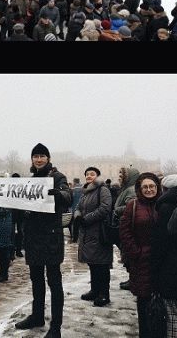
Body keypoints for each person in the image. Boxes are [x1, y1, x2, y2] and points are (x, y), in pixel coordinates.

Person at [15, 143, 72, 338]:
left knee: (54, 281)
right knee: (36, 279)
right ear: (32, 159)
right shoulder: (30, 180)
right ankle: (37, 315)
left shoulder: (57, 177)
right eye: (35, 156)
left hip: (51, 236)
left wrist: (60, 195)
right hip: (33, 237)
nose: (39, 159)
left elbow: (68, 195)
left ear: (48, 158)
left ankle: (56, 326)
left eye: (42, 156)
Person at [119, 172, 162, 338]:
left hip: (160, 260)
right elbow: (124, 231)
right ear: (139, 189)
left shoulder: (162, 204)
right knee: (143, 301)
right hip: (141, 261)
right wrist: (136, 252)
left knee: (160, 301)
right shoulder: (133, 205)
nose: (149, 189)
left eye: (152, 186)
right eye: (145, 187)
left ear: (157, 187)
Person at [151, 174, 177, 338]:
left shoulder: (164, 208)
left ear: (165, 189)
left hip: (171, 271)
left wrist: (154, 273)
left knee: (174, 318)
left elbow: (159, 245)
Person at [74, 167, 112, 307]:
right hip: (87, 232)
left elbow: (105, 208)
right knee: (92, 263)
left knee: (101, 264)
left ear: (97, 176)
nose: (89, 176)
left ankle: (104, 294)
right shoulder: (85, 191)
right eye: (87, 174)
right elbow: (78, 207)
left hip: (99, 232)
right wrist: (77, 216)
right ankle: (95, 290)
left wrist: (86, 218)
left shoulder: (103, 190)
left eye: (92, 174)